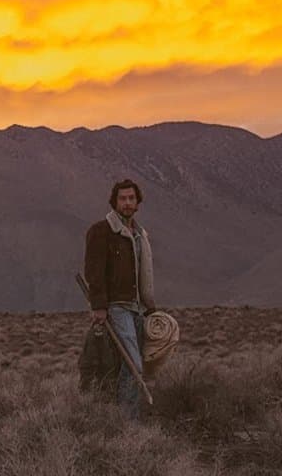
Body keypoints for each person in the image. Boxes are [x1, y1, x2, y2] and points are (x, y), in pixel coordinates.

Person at [83, 179, 158, 419]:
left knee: (128, 365)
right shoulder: (101, 231)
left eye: (131, 198)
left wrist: (149, 307)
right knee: (134, 365)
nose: (127, 203)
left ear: (138, 202)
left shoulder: (138, 234)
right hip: (117, 307)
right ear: (114, 202)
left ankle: (116, 415)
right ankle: (128, 423)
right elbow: (93, 271)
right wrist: (99, 307)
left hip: (137, 307)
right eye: (122, 198)